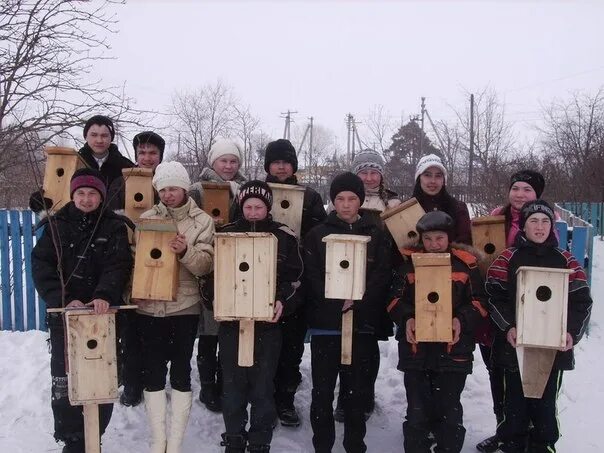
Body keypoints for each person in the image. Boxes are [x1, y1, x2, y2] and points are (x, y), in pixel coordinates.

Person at [31, 168, 133, 453]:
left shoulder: (113, 226)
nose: (86, 199)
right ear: (73, 195)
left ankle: (94, 434)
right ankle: (72, 438)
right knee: (66, 377)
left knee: (101, 374)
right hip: (65, 314)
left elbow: (119, 263)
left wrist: (104, 294)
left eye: (92, 194)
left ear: (100, 197)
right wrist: (62, 299)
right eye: (81, 193)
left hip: (102, 314)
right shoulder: (56, 225)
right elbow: (42, 265)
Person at [485, 200, 592, 453]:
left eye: (545, 221)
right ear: (523, 226)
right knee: (513, 406)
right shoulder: (507, 258)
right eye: (533, 221)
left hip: (552, 349)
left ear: (552, 226)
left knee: (545, 408)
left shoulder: (566, 260)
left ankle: (543, 447)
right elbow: (493, 296)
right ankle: (512, 445)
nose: (540, 226)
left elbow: (582, 301)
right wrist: (508, 326)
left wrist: (571, 333)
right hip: (514, 347)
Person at [204, 180, 303, 453]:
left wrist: (282, 301)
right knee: (233, 384)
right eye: (248, 206)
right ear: (240, 206)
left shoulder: (284, 236)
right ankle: (234, 437)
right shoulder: (226, 234)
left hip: (267, 325)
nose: (253, 212)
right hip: (233, 324)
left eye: (259, 206)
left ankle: (260, 440)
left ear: (268, 207)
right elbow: (212, 278)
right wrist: (216, 301)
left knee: (263, 385)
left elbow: (295, 279)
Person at [304, 172, 392, 453]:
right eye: (339, 198)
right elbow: (312, 276)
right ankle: (322, 445)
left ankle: (355, 445)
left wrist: (359, 301)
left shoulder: (374, 233)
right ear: (332, 201)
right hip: (326, 326)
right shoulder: (318, 234)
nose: (345, 204)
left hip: (361, 326)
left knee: (356, 393)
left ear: (360, 201)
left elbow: (381, 275)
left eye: (351, 198)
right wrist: (332, 301)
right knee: (322, 392)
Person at [387, 210, 486, 453]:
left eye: (439, 238)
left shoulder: (465, 265)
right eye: (428, 239)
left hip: (454, 351)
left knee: (449, 410)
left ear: (449, 238)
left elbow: (480, 302)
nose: (433, 244)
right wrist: (407, 317)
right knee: (417, 411)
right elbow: (393, 300)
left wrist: (461, 319)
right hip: (416, 351)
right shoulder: (408, 266)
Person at [136, 161, 215, 453]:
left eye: (174, 188)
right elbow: (136, 261)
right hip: (150, 307)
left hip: (184, 306)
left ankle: (176, 442)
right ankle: (159, 441)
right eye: (163, 189)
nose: (169, 194)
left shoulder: (202, 221)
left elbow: (206, 265)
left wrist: (185, 251)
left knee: (181, 370)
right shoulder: (146, 218)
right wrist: (136, 292)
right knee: (153, 370)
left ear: (185, 188)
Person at [476, 169, 545, 453]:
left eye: (527, 190)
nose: (519, 194)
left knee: (528, 376)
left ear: (537, 195)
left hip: (533, 310)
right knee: (498, 373)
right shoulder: (493, 220)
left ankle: (527, 433)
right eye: (516, 188)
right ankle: (504, 429)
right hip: (495, 307)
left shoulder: (545, 224)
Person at [332, 149, 400, 422]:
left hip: (378, 279)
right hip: (345, 277)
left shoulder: (393, 202)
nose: (370, 177)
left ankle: (366, 393)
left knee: (368, 341)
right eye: (364, 172)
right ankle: (343, 395)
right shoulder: (347, 200)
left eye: (374, 172)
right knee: (344, 340)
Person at [263, 138, 327, 427]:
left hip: (295, 279)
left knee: (291, 345)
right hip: (260, 275)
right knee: (264, 344)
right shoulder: (257, 191)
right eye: (275, 161)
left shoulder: (310, 196)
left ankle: (285, 398)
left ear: (293, 165)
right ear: (268, 165)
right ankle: (263, 398)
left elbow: (320, 233)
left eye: (286, 161)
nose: (280, 166)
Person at [190, 139, 247, 413]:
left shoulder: (244, 191)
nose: (228, 165)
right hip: (207, 265)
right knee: (209, 329)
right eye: (223, 160)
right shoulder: (197, 191)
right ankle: (207, 385)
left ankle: (227, 382)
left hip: (236, 265)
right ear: (213, 162)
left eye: (233, 161)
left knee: (228, 329)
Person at [29, 115, 135, 214]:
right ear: (86, 136)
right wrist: (39, 202)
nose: (99, 140)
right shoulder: (71, 163)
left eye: (104, 135)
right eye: (94, 135)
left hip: (113, 226)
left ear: (111, 138)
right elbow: (55, 189)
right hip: (76, 226)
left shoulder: (125, 167)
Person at [412, 154, 471, 245]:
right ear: (419, 178)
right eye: (427, 175)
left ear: (443, 180)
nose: (433, 181)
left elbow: (465, 244)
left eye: (438, 176)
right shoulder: (405, 211)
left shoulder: (458, 208)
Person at [106, 130, 165, 213]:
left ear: (160, 156)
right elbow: (111, 214)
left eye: (152, 153)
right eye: (142, 153)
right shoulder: (121, 183)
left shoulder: (167, 181)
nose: (147, 158)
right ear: (136, 156)